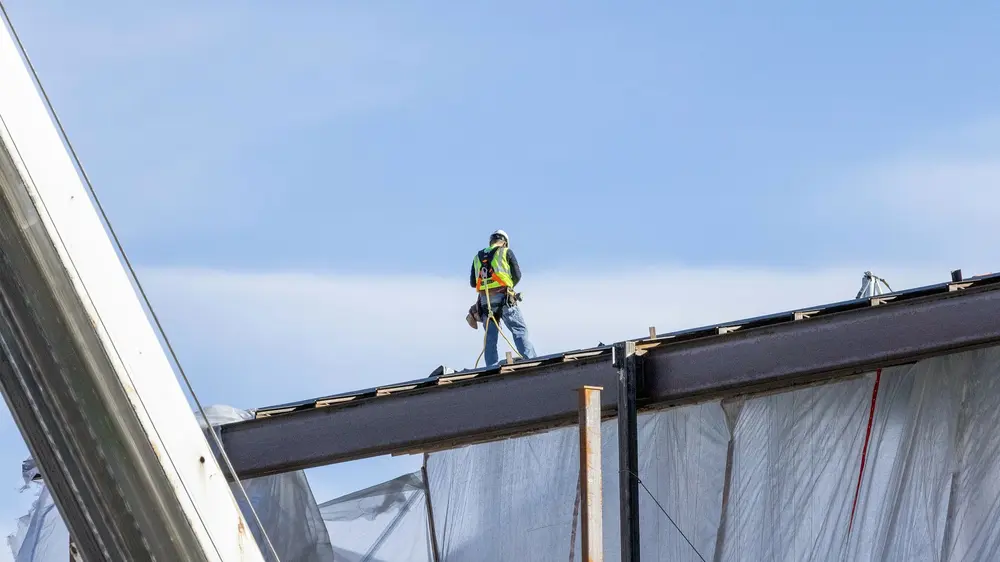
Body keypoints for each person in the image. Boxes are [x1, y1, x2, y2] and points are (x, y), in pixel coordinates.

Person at [468, 229, 537, 366]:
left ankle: (490, 367)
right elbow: (517, 275)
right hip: (504, 297)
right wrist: (509, 287)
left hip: (485, 301)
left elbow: (472, 282)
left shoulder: (478, 256)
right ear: (505, 242)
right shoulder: (506, 252)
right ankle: (531, 361)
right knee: (519, 330)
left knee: (490, 337)